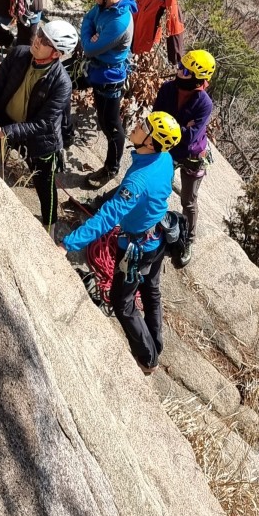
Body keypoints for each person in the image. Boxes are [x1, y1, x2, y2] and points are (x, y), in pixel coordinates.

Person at [63, 110, 181, 372]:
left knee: (121, 300)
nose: (137, 125)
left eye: (144, 126)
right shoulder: (164, 158)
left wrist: (68, 244)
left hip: (138, 247)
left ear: (150, 141)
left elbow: (107, 217)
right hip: (157, 235)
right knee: (151, 289)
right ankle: (155, 343)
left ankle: (148, 357)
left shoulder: (138, 181)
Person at [0, 17, 78, 236]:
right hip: (5, 120)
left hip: (39, 140)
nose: (37, 40)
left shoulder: (61, 83)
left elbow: (43, 124)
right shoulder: (19, 54)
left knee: (45, 186)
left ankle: (50, 227)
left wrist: (2, 132)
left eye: (45, 41)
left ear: (56, 53)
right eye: (40, 34)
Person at [152, 49, 215, 263]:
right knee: (156, 186)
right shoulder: (168, 89)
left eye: (186, 71)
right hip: (168, 149)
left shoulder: (204, 103)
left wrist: (173, 127)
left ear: (198, 79)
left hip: (192, 155)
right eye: (180, 67)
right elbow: (156, 118)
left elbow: (190, 137)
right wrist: (181, 127)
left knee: (188, 201)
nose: (180, 72)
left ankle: (188, 239)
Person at [79, 0, 138, 189]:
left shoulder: (120, 21)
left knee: (110, 124)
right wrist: (90, 33)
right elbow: (88, 19)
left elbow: (89, 47)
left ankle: (111, 168)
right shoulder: (104, 7)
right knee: (61, 80)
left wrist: (90, 37)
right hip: (97, 68)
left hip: (109, 79)